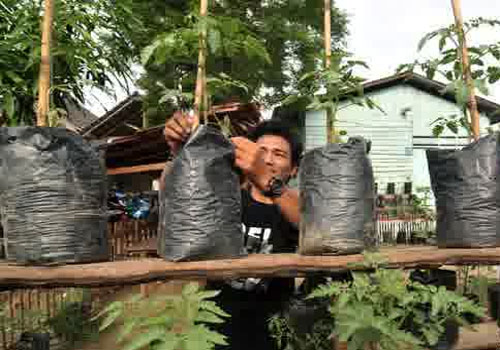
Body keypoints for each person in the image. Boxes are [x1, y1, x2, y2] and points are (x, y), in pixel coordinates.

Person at [163, 111, 302, 350]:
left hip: (273, 333)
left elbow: (310, 223)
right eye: (261, 152)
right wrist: (181, 152)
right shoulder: (225, 198)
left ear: (294, 169)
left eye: (278, 154)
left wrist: (268, 182)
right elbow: (177, 199)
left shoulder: (294, 205)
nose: (267, 160)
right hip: (215, 328)